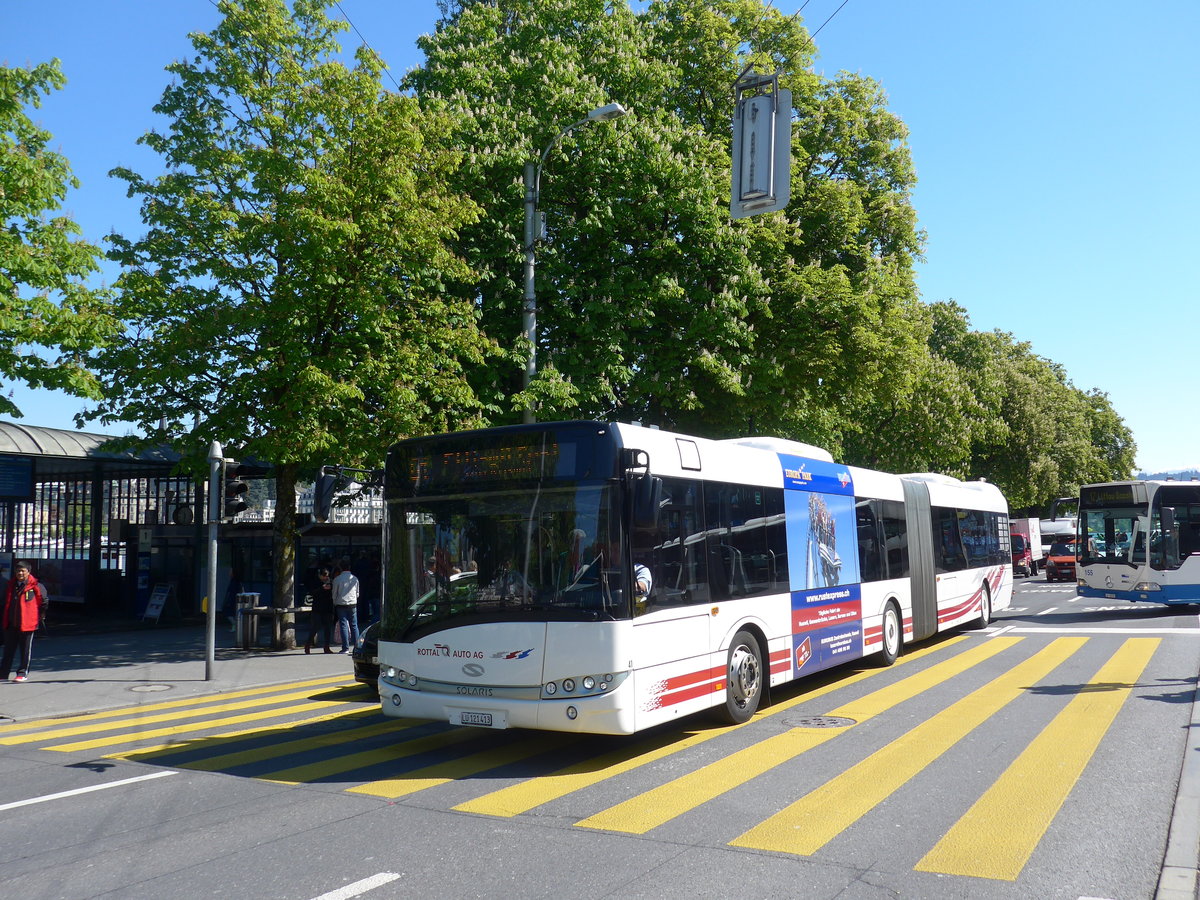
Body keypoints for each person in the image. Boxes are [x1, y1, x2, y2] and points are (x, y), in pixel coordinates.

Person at [1, 560, 49, 683]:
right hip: (11, 623)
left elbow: (43, 601)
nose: (20, 573)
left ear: (28, 572)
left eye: (23, 571)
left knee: (25, 650)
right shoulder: (11, 585)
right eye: (18, 571)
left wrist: (39, 615)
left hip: (27, 624)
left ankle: (22, 673)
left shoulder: (36, 586)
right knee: (8, 650)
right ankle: (3, 673)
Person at [331, 558, 360, 653]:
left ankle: (345, 647)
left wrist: (335, 602)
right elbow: (357, 593)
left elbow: (334, 593)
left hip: (341, 603)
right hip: (352, 603)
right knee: (354, 625)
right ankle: (357, 646)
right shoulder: (355, 578)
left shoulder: (337, 579)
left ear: (341, 568)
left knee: (343, 625)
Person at [303, 567, 334, 654]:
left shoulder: (331, 582)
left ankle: (327, 646)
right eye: (324, 576)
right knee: (315, 627)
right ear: (319, 575)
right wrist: (322, 588)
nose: (325, 577)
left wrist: (330, 588)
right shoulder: (315, 582)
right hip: (317, 608)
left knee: (327, 628)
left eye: (327, 576)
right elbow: (312, 592)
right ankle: (308, 645)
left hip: (328, 607)